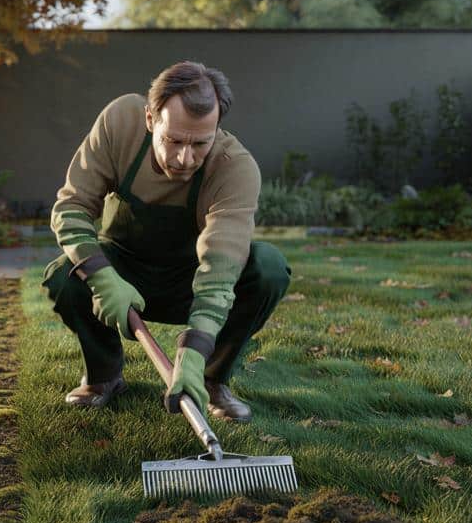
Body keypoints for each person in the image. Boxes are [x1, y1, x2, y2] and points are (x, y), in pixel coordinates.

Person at [41, 60, 291, 423]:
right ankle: (104, 376)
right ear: (149, 120)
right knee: (64, 276)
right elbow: (72, 207)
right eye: (172, 140)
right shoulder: (119, 124)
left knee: (268, 268)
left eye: (199, 144)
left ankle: (211, 381)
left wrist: (195, 349)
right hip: (122, 271)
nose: (184, 158)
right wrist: (103, 278)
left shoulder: (234, 167)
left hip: (188, 282)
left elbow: (220, 267)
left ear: (217, 127)